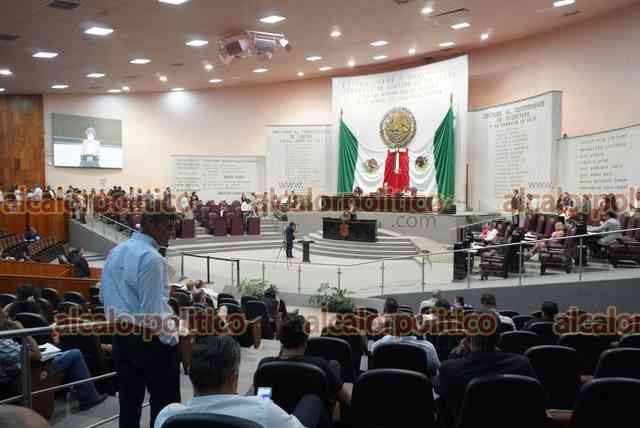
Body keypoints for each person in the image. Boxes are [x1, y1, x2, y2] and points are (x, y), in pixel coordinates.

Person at [100, 212, 180, 428]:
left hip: (121, 336)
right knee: (165, 405)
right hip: (150, 340)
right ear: (149, 224)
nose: (172, 233)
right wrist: (172, 339)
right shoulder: (152, 258)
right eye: (168, 227)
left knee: (129, 403)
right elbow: (153, 314)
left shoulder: (115, 251)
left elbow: (104, 296)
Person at [155, 336, 322, 428]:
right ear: (233, 378)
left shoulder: (167, 416)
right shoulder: (262, 410)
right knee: (312, 400)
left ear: (191, 375)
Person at [435, 310, 536, 425]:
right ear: (499, 338)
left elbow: (440, 399)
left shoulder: (449, 369)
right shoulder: (522, 364)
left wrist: (455, 355)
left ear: (468, 337)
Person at [0, 309, 107, 411]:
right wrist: (23, 331)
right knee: (75, 354)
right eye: (3, 313)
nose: (6, 315)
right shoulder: (3, 342)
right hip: (26, 374)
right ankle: (89, 398)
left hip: (21, 368)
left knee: (61, 353)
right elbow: (37, 355)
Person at [259, 315, 350, 407]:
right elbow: (346, 398)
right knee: (334, 365)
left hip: (275, 413)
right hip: (313, 415)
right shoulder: (319, 365)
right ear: (306, 340)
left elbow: (262, 400)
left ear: (281, 339)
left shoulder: (265, 365)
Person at [372, 313, 441, 377]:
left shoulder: (383, 342)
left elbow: (372, 351)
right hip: (417, 384)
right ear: (415, 328)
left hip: (386, 383)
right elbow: (435, 366)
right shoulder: (427, 347)